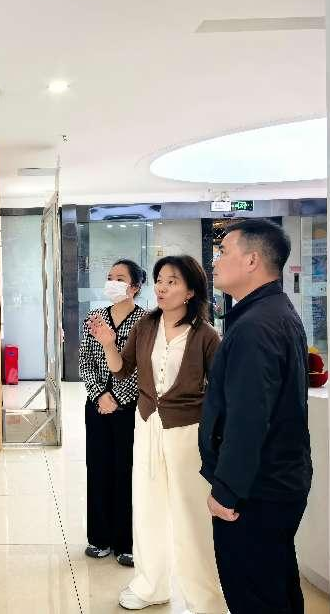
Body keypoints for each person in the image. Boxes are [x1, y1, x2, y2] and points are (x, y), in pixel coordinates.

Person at [91, 256, 227, 613]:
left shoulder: (206, 334)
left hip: (188, 431)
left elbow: (221, 390)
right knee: (147, 507)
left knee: (191, 515)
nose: (162, 288)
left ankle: (205, 599)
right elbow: (122, 370)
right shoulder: (147, 324)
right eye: (160, 281)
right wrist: (108, 343)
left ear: (191, 291)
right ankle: (151, 586)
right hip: (147, 423)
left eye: (172, 281)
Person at [198, 219, 312, 614]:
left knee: (254, 595)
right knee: (276, 588)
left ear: (251, 261)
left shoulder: (255, 327)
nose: (215, 262)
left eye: (223, 252)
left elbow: (247, 420)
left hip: (255, 491)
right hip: (277, 482)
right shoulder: (273, 312)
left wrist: (226, 491)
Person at [78, 259, 147, 567]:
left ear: (135, 287)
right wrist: (100, 395)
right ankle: (99, 537)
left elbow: (143, 368)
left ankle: (126, 541)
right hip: (97, 406)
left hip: (130, 407)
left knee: (127, 471)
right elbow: (84, 361)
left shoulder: (146, 322)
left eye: (120, 278)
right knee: (98, 468)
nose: (112, 282)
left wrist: (118, 398)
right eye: (109, 277)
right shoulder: (94, 319)